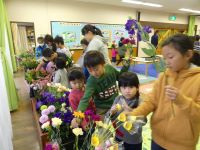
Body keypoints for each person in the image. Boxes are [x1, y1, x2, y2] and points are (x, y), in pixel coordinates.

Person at [125, 34, 200, 150]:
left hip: (182, 145)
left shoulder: (198, 79)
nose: (166, 62)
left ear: (188, 55)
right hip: (157, 139)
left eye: (170, 57)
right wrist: (133, 115)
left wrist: (182, 100)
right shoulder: (164, 76)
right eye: (164, 58)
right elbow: (151, 102)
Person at [71, 51, 130, 127]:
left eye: (96, 69)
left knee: (120, 125)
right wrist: (78, 115)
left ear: (103, 64)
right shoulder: (91, 81)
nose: (94, 73)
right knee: (103, 129)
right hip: (102, 109)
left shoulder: (110, 69)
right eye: (90, 70)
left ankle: (119, 138)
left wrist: (126, 64)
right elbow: (85, 99)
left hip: (116, 104)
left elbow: (121, 77)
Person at [108, 72, 146, 150]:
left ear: (137, 87)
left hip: (133, 141)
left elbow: (143, 121)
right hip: (119, 136)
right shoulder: (118, 99)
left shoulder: (140, 101)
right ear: (119, 89)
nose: (127, 90)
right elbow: (110, 117)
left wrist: (131, 111)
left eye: (131, 87)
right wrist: (111, 112)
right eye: (124, 87)